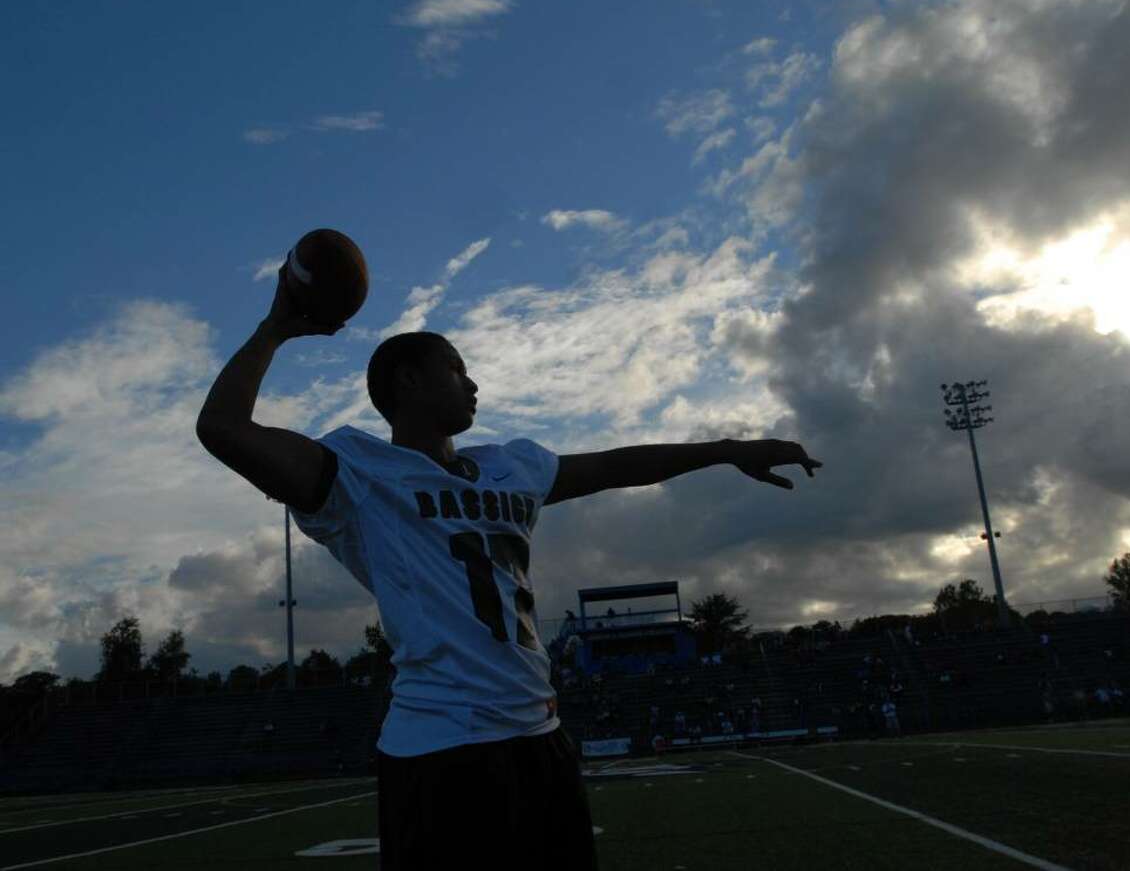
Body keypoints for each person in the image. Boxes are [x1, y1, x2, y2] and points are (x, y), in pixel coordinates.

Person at [194, 269, 823, 870]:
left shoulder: (509, 466)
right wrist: (276, 327)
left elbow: (619, 466)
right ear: (408, 381)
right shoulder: (356, 473)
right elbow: (222, 428)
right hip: (442, 749)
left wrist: (726, 451)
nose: (472, 383)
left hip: (540, 734)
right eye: (456, 367)